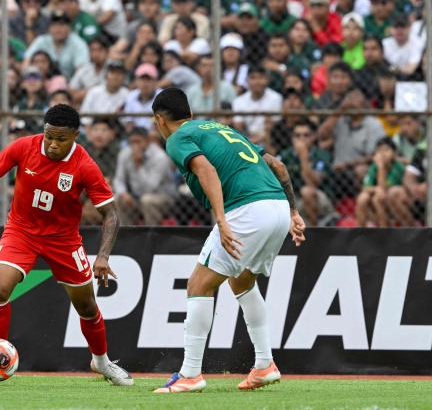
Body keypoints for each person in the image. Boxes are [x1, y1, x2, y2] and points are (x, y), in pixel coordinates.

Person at [0, 104, 133, 386]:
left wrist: (103, 256)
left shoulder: (85, 165)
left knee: (86, 306)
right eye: (49, 135)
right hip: (21, 231)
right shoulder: (23, 147)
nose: (52, 144)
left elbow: (110, 214)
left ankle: (102, 362)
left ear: (75, 136)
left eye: (61, 139)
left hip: (63, 239)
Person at [150, 88, 305, 393]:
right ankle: (264, 365)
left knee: (198, 284)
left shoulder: (177, 137)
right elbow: (278, 165)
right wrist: (294, 212)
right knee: (242, 281)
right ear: (190, 113)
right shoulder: (219, 127)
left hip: (247, 210)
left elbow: (206, 170)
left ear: (159, 120)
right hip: (277, 207)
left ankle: (190, 374)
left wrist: (221, 220)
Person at [113, 127, 176, 225]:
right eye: (132, 142)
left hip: (163, 196)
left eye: (138, 142)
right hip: (136, 196)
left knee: (146, 200)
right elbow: (118, 179)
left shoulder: (159, 156)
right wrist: (123, 193)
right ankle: (126, 233)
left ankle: (151, 234)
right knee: (118, 199)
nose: (135, 146)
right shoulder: (125, 153)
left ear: (147, 141)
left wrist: (138, 165)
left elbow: (150, 187)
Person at [278, 121, 335, 227]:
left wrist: (303, 156)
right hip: (293, 200)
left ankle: (314, 233)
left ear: (313, 137)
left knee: (307, 192)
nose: (301, 139)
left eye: (306, 135)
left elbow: (312, 183)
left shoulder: (322, 155)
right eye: (297, 135)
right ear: (292, 138)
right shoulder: (285, 155)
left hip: (320, 200)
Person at [355, 137, 405, 227]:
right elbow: (365, 187)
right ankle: (360, 231)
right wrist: (375, 189)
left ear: (394, 153)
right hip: (378, 196)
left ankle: (384, 231)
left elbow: (384, 190)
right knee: (362, 198)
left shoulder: (398, 167)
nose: (382, 154)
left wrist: (381, 167)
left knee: (377, 199)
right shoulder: (374, 167)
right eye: (379, 151)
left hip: (392, 202)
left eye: (386, 150)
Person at [24, 12, 89, 79]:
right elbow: (27, 61)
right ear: (49, 28)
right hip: (42, 83)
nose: (58, 29)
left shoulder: (78, 43)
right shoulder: (42, 40)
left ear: (69, 27)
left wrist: (71, 87)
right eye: (54, 25)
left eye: (62, 25)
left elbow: (82, 70)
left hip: (70, 84)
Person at [231, 66, 282, 144]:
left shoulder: (276, 98)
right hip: (245, 141)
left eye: (261, 77)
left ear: (267, 80)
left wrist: (260, 138)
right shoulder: (238, 101)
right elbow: (238, 127)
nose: (257, 81)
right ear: (247, 80)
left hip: (270, 140)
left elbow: (275, 125)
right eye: (253, 78)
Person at [121, 63, 161, 131]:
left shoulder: (163, 96)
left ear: (155, 81)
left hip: (156, 137)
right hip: (135, 135)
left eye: (148, 79)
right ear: (136, 81)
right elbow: (129, 123)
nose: (145, 83)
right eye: (142, 79)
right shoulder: (130, 96)